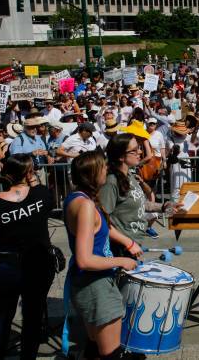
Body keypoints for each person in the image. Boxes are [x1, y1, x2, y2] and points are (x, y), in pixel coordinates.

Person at [0, 154, 55, 360]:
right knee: (32, 318)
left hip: (4, 267)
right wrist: (32, 178)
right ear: (28, 173)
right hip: (38, 264)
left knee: (0, 318)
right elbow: (42, 201)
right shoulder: (42, 194)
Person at [63, 151, 141, 359]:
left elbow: (101, 227)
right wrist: (122, 260)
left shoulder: (76, 198)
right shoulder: (86, 206)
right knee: (110, 354)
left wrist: (127, 241)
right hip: (96, 286)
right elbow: (85, 259)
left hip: (87, 284)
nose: (107, 169)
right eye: (103, 167)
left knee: (94, 346)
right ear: (93, 173)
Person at [100, 133, 180, 247]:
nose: (140, 152)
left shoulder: (129, 175)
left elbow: (139, 203)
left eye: (139, 148)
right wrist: (128, 244)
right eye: (134, 150)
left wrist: (163, 206)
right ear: (121, 156)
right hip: (120, 247)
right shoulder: (111, 182)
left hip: (134, 243)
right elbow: (101, 221)